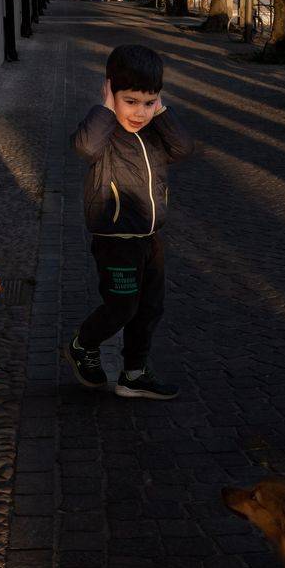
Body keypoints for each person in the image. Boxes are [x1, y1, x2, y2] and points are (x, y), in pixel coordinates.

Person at [64, 45, 195, 399]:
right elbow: (85, 147)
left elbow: (183, 148)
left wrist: (162, 112)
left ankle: (134, 374)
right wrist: (105, 108)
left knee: (150, 307)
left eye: (149, 102)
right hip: (115, 238)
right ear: (111, 92)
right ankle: (83, 344)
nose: (140, 112)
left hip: (149, 237)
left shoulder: (154, 130)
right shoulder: (104, 132)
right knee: (123, 306)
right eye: (130, 101)